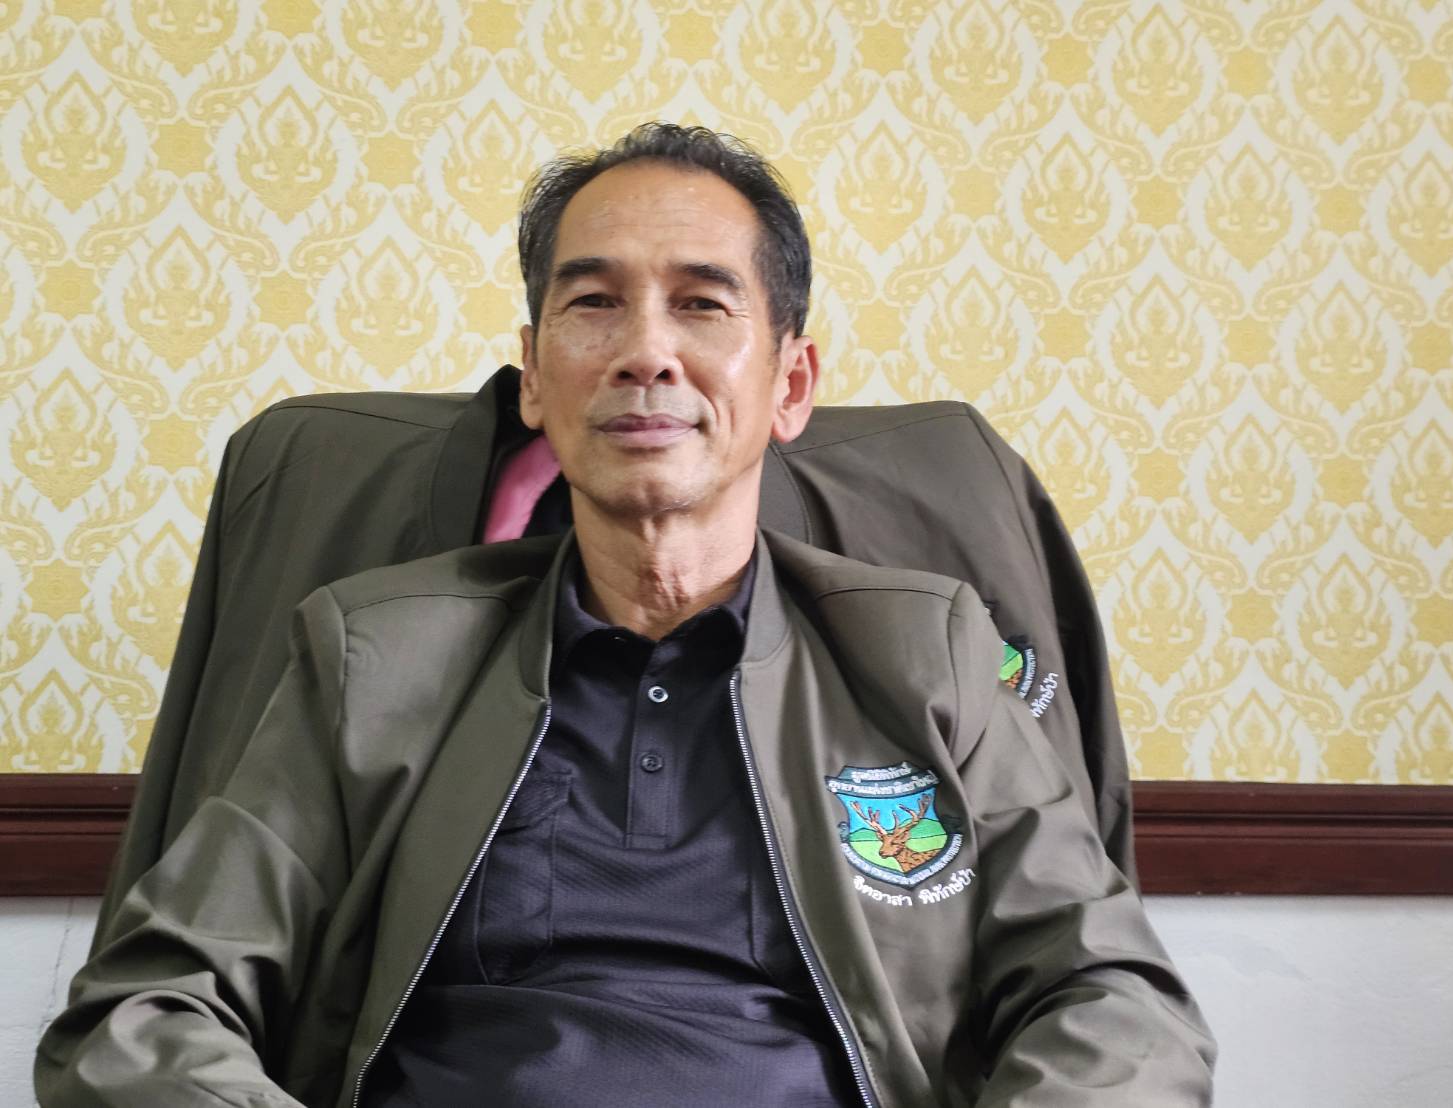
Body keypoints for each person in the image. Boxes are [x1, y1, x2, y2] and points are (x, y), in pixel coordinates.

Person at [38, 124, 1213, 1106]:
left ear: (789, 383)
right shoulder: (374, 656)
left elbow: (1114, 1003)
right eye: (594, 302)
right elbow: (143, 1009)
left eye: (701, 304)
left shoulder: (924, 657)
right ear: (533, 377)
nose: (646, 351)